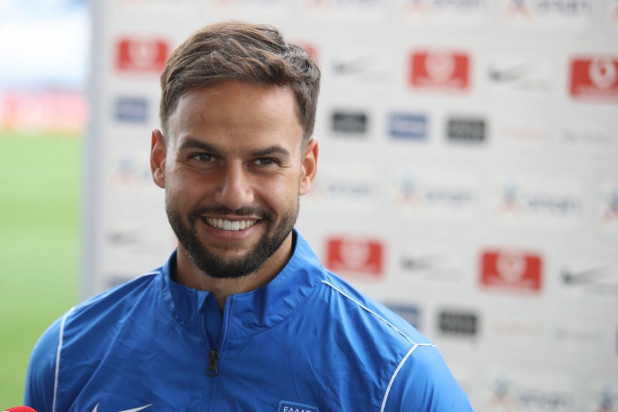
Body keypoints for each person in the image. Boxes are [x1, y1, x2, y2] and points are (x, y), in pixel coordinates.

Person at [23, 21, 473, 411]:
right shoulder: (67, 355)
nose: (234, 194)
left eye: (264, 161)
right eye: (203, 157)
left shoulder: (399, 378)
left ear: (307, 168)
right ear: (160, 160)